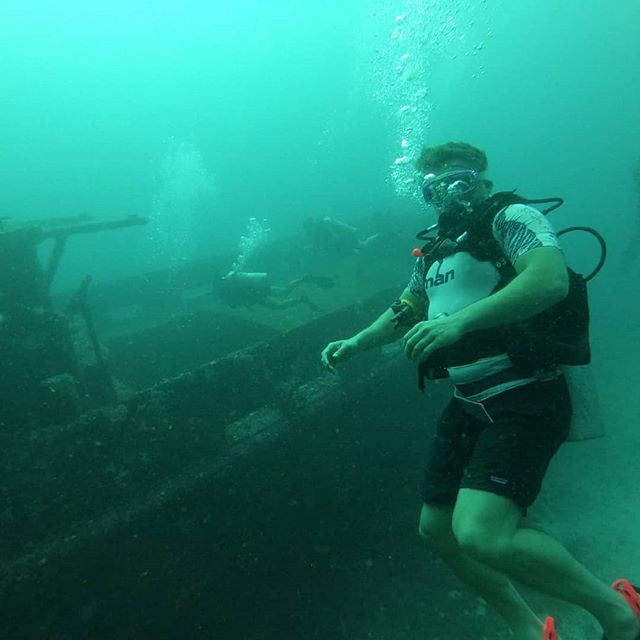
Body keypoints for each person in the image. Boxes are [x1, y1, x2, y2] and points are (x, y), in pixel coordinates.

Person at [320, 142, 640, 640]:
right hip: (468, 402)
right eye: (436, 187)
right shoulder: (433, 249)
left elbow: (549, 279)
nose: (451, 193)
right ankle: (531, 629)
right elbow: (408, 305)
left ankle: (619, 613)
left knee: (482, 533)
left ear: (483, 181)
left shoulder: (512, 217)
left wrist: (459, 324)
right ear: (426, 195)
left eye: (462, 180)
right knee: (439, 531)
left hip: (526, 394)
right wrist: (358, 341)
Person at [213, 269, 333, 311]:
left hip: (257, 293)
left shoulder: (226, 288)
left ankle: (302, 296)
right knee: (284, 292)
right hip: (258, 291)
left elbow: (238, 298)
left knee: (279, 303)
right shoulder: (227, 284)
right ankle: (302, 283)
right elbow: (240, 298)